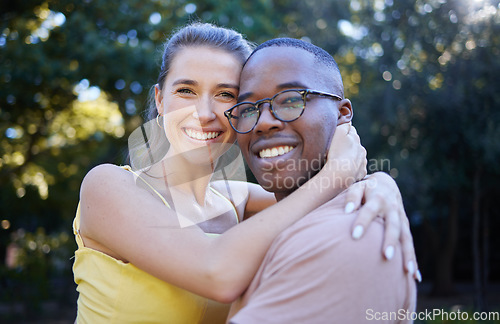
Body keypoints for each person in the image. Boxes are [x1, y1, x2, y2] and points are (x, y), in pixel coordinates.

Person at [73, 23, 417, 324]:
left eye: (226, 95)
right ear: (160, 100)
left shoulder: (237, 200)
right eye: (186, 91)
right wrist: (338, 174)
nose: (205, 112)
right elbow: (216, 272)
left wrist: (381, 183)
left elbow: (321, 197)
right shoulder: (108, 186)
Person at [225, 38, 418, 323]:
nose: (264, 121)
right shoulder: (267, 224)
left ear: (342, 115)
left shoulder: (351, 236)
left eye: (291, 99)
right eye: (248, 109)